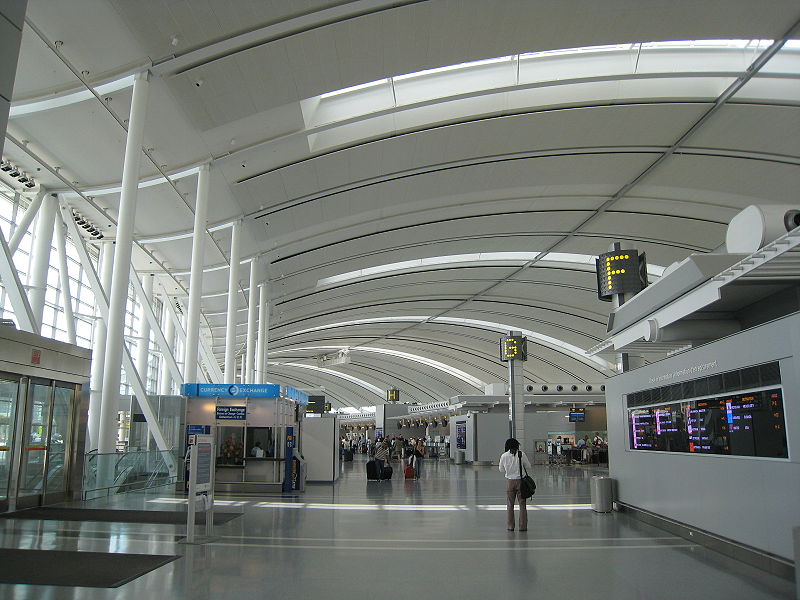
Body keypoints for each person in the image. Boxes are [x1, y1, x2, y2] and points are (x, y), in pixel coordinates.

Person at [498, 438, 532, 532]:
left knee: (510, 504)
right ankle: (523, 526)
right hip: (521, 482)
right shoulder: (521, 454)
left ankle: (510, 526)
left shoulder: (504, 456)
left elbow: (501, 469)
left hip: (510, 482)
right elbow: (528, 466)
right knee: (522, 504)